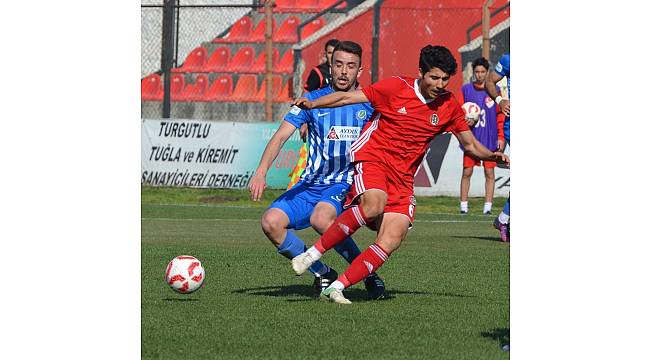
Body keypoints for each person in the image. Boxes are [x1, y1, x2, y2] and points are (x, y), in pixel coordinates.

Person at [290, 45, 509, 304]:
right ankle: (311, 255)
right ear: (421, 72)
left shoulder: (449, 105)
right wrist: (313, 103)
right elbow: (346, 98)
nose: (440, 84)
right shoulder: (395, 87)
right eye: (434, 77)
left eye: (445, 79)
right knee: (374, 204)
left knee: (394, 236)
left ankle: (337, 287)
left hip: (403, 177)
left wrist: (490, 155)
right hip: (373, 158)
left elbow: (470, 144)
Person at [249, 41, 386, 299]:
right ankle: (323, 272)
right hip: (310, 184)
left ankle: (368, 272)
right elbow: (280, 136)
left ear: (360, 71)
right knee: (270, 222)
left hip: (344, 184)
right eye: (339, 65)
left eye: (351, 66)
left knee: (321, 220)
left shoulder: (370, 104)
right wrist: (261, 171)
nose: (344, 71)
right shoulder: (311, 101)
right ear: (330, 66)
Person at [459, 57, 505, 215]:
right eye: (477, 72)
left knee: (489, 173)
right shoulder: (466, 89)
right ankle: (463, 206)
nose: (479, 75)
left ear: (487, 73)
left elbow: (500, 116)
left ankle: (488, 207)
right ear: (473, 73)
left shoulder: (494, 91)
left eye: (483, 72)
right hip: (471, 138)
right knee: (467, 171)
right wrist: (464, 121)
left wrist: (500, 136)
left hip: (489, 138)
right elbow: (459, 112)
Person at [485, 53, 510, 242]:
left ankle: (504, 218)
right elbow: (490, 82)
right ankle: (504, 219)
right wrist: (500, 101)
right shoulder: (509, 59)